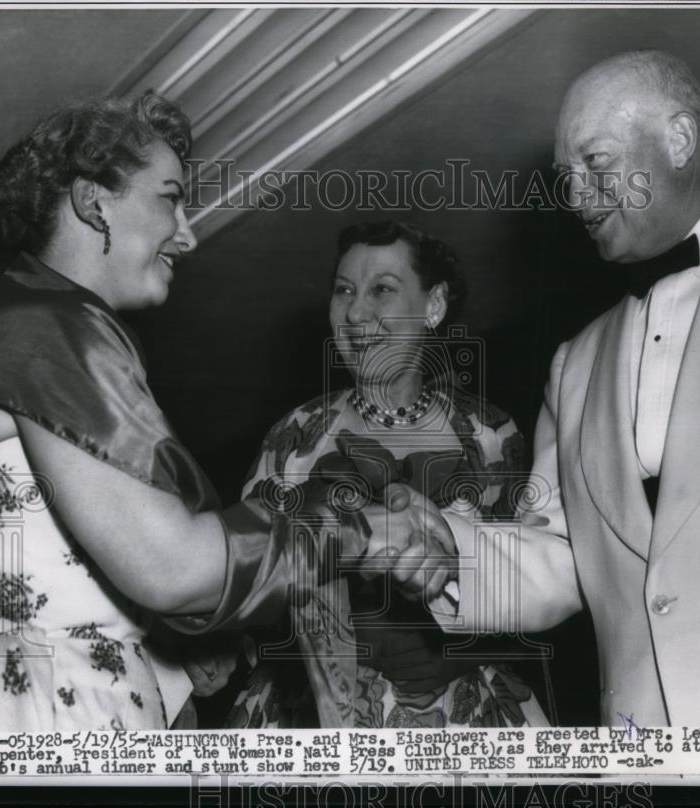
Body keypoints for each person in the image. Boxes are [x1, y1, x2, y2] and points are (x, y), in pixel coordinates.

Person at [0, 94, 437, 732]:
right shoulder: (50, 330)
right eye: (170, 198)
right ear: (95, 202)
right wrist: (358, 531)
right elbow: (172, 569)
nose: (190, 232)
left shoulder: (10, 336)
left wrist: (173, 650)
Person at [422, 50, 700, 728]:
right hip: (641, 761)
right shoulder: (574, 364)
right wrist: (445, 553)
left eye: (595, 164)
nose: (573, 198)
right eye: (566, 178)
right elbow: (563, 558)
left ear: (679, 139)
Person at [204, 222, 548, 729]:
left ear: (433, 306)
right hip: (313, 711)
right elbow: (239, 583)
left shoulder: (492, 437)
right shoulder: (294, 435)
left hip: (462, 715)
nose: (357, 312)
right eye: (344, 290)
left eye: (381, 290)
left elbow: (539, 579)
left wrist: (450, 646)